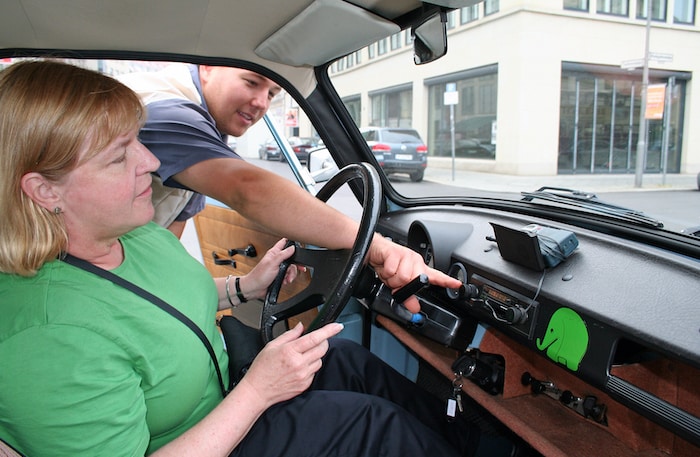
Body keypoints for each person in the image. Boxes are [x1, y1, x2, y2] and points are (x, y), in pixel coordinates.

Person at [0, 60, 522, 456]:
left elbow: (160, 303)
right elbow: (247, 189)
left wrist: (245, 287)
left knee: (346, 361)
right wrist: (256, 393)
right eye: (120, 156)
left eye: (138, 141)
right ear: (44, 190)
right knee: (371, 424)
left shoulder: (136, 237)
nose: (153, 162)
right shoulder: (45, 336)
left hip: (222, 385)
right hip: (199, 435)